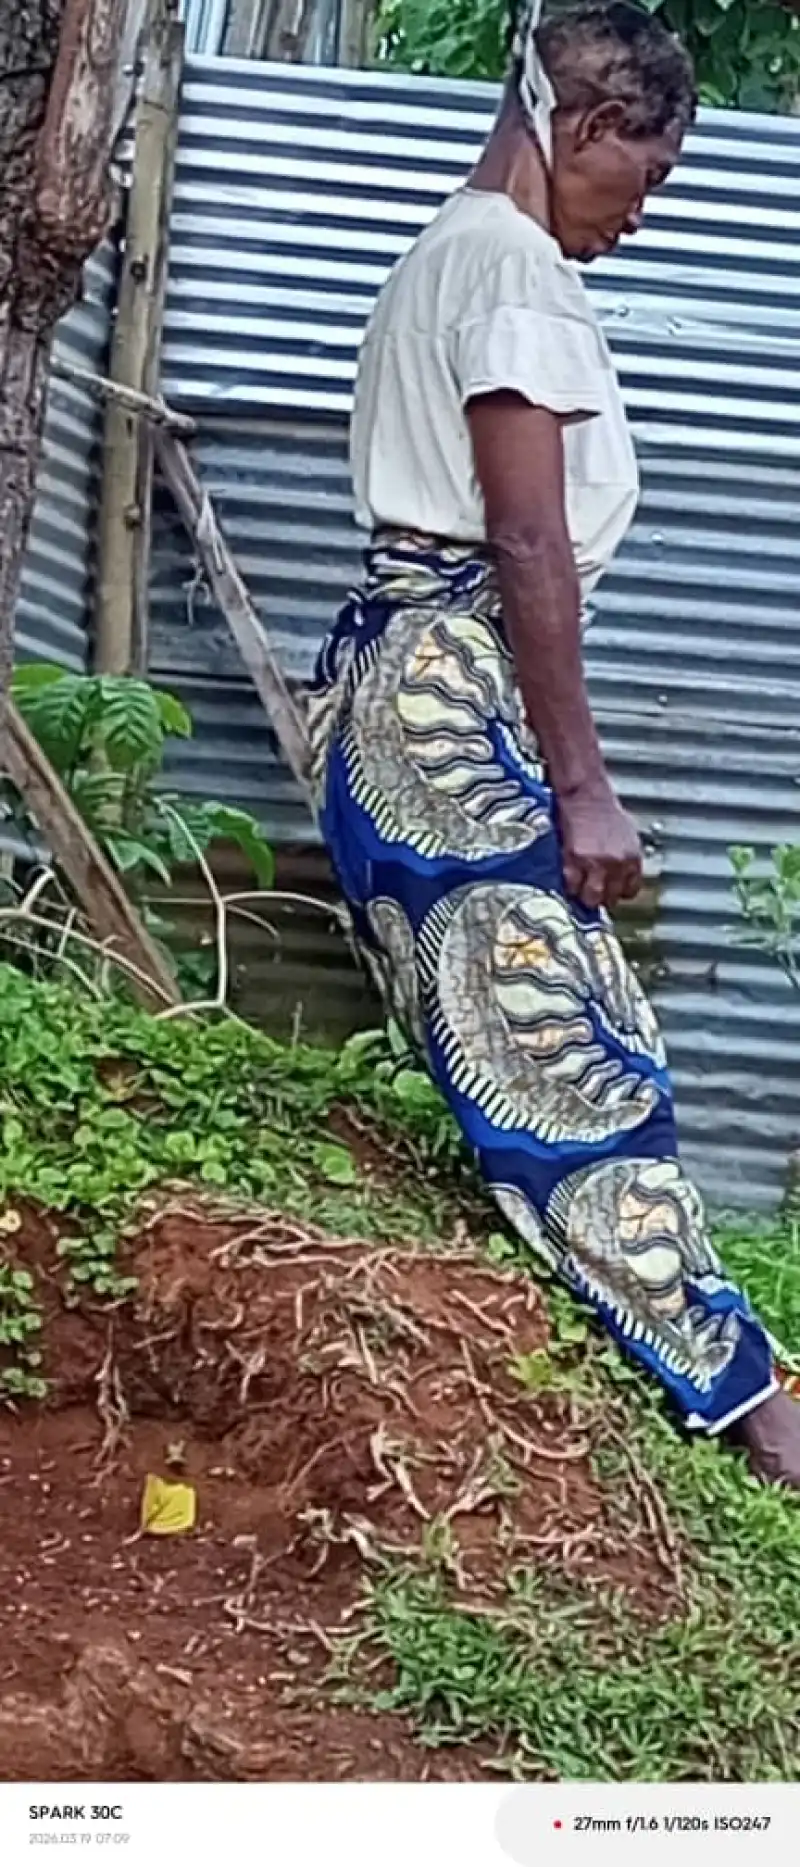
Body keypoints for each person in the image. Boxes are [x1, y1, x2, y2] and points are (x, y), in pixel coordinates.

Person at [307, 0, 800, 1487]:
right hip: (447, 695)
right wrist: (584, 785)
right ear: (582, 129)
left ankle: (683, 1348)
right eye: (640, 181)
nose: (637, 220)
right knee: (566, 1047)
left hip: (403, 680)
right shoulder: (516, 278)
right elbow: (522, 532)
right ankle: (750, 1406)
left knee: (553, 1023)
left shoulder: (446, 255)